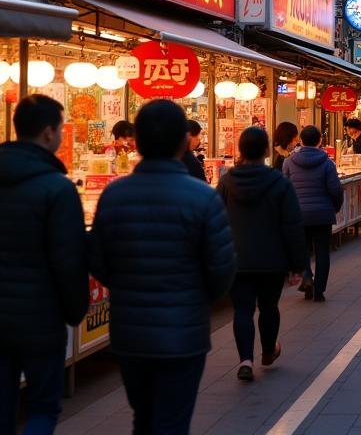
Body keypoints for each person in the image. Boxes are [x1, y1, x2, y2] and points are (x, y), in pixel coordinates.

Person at [89, 99, 236, 435]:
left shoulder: (114, 196)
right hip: (184, 331)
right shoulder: (203, 197)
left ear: (136, 142)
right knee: (172, 420)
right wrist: (197, 297)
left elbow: (97, 259)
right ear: (184, 142)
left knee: (143, 417)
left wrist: (127, 285)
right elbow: (222, 269)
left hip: (130, 330)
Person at [0, 94, 89, 435]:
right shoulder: (57, 188)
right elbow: (68, 259)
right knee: (42, 406)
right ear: (50, 132)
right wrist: (74, 310)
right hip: (41, 315)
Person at [218, 127, 306, 381]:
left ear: (240, 150)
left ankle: (245, 359)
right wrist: (298, 264)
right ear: (267, 151)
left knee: (242, 310)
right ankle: (268, 352)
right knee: (269, 307)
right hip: (272, 259)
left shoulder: (226, 182)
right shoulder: (279, 182)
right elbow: (292, 224)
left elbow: (214, 221)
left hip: (237, 259)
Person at [282, 126, 342, 302]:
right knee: (322, 252)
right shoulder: (328, 163)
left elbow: (284, 188)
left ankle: (307, 277)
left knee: (302, 250)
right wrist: (335, 207)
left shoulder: (289, 162)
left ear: (301, 140)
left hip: (298, 214)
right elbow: (335, 190)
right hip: (323, 214)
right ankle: (319, 290)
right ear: (319, 141)